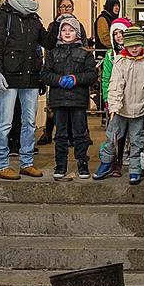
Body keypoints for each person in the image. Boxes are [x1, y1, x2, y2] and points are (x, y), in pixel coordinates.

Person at [0, 0, 59, 180]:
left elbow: (48, 42)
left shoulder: (34, 18)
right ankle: (1, 165)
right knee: (5, 122)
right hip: (9, 77)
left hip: (30, 78)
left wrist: (57, 23)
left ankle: (26, 163)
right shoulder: (5, 14)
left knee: (29, 122)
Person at [41, 17, 97, 181]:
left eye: (71, 30)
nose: (67, 33)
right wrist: (58, 80)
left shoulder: (85, 54)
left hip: (78, 100)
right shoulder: (52, 53)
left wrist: (76, 79)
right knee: (60, 135)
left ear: (77, 33)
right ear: (60, 33)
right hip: (59, 101)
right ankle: (61, 164)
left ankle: (82, 163)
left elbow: (92, 74)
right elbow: (45, 74)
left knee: (80, 134)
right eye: (64, 30)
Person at [93, 26, 144, 185]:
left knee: (137, 141)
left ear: (142, 44)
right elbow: (115, 85)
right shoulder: (120, 61)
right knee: (112, 138)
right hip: (120, 110)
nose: (134, 48)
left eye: (137, 45)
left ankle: (135, 169)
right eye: (131, 45)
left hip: (140, 110)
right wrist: (114, 106)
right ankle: (106, 163)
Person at [37, 0, 88, 146]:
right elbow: (49, 43)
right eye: (63, 6)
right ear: (59, 9)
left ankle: (78, 135)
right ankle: (48, 132)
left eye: (69, 6)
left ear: (72, 9)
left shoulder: (79, 25)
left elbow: (83, 43)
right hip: (57, 67)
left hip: (75, 66)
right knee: (55, 105)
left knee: (77, 107)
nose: (66, 9)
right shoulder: (53, 25)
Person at [101, 17, 132, 176]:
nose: (119, 36)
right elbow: (106, 78)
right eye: (116, 34)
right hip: (116, 99)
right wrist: (107, 98)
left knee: (133, 132)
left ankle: (132, 158)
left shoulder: (137, 51)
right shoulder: (110, 55)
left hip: (133, 98)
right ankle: (115, 159)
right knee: (116, 131)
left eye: (122, 33)